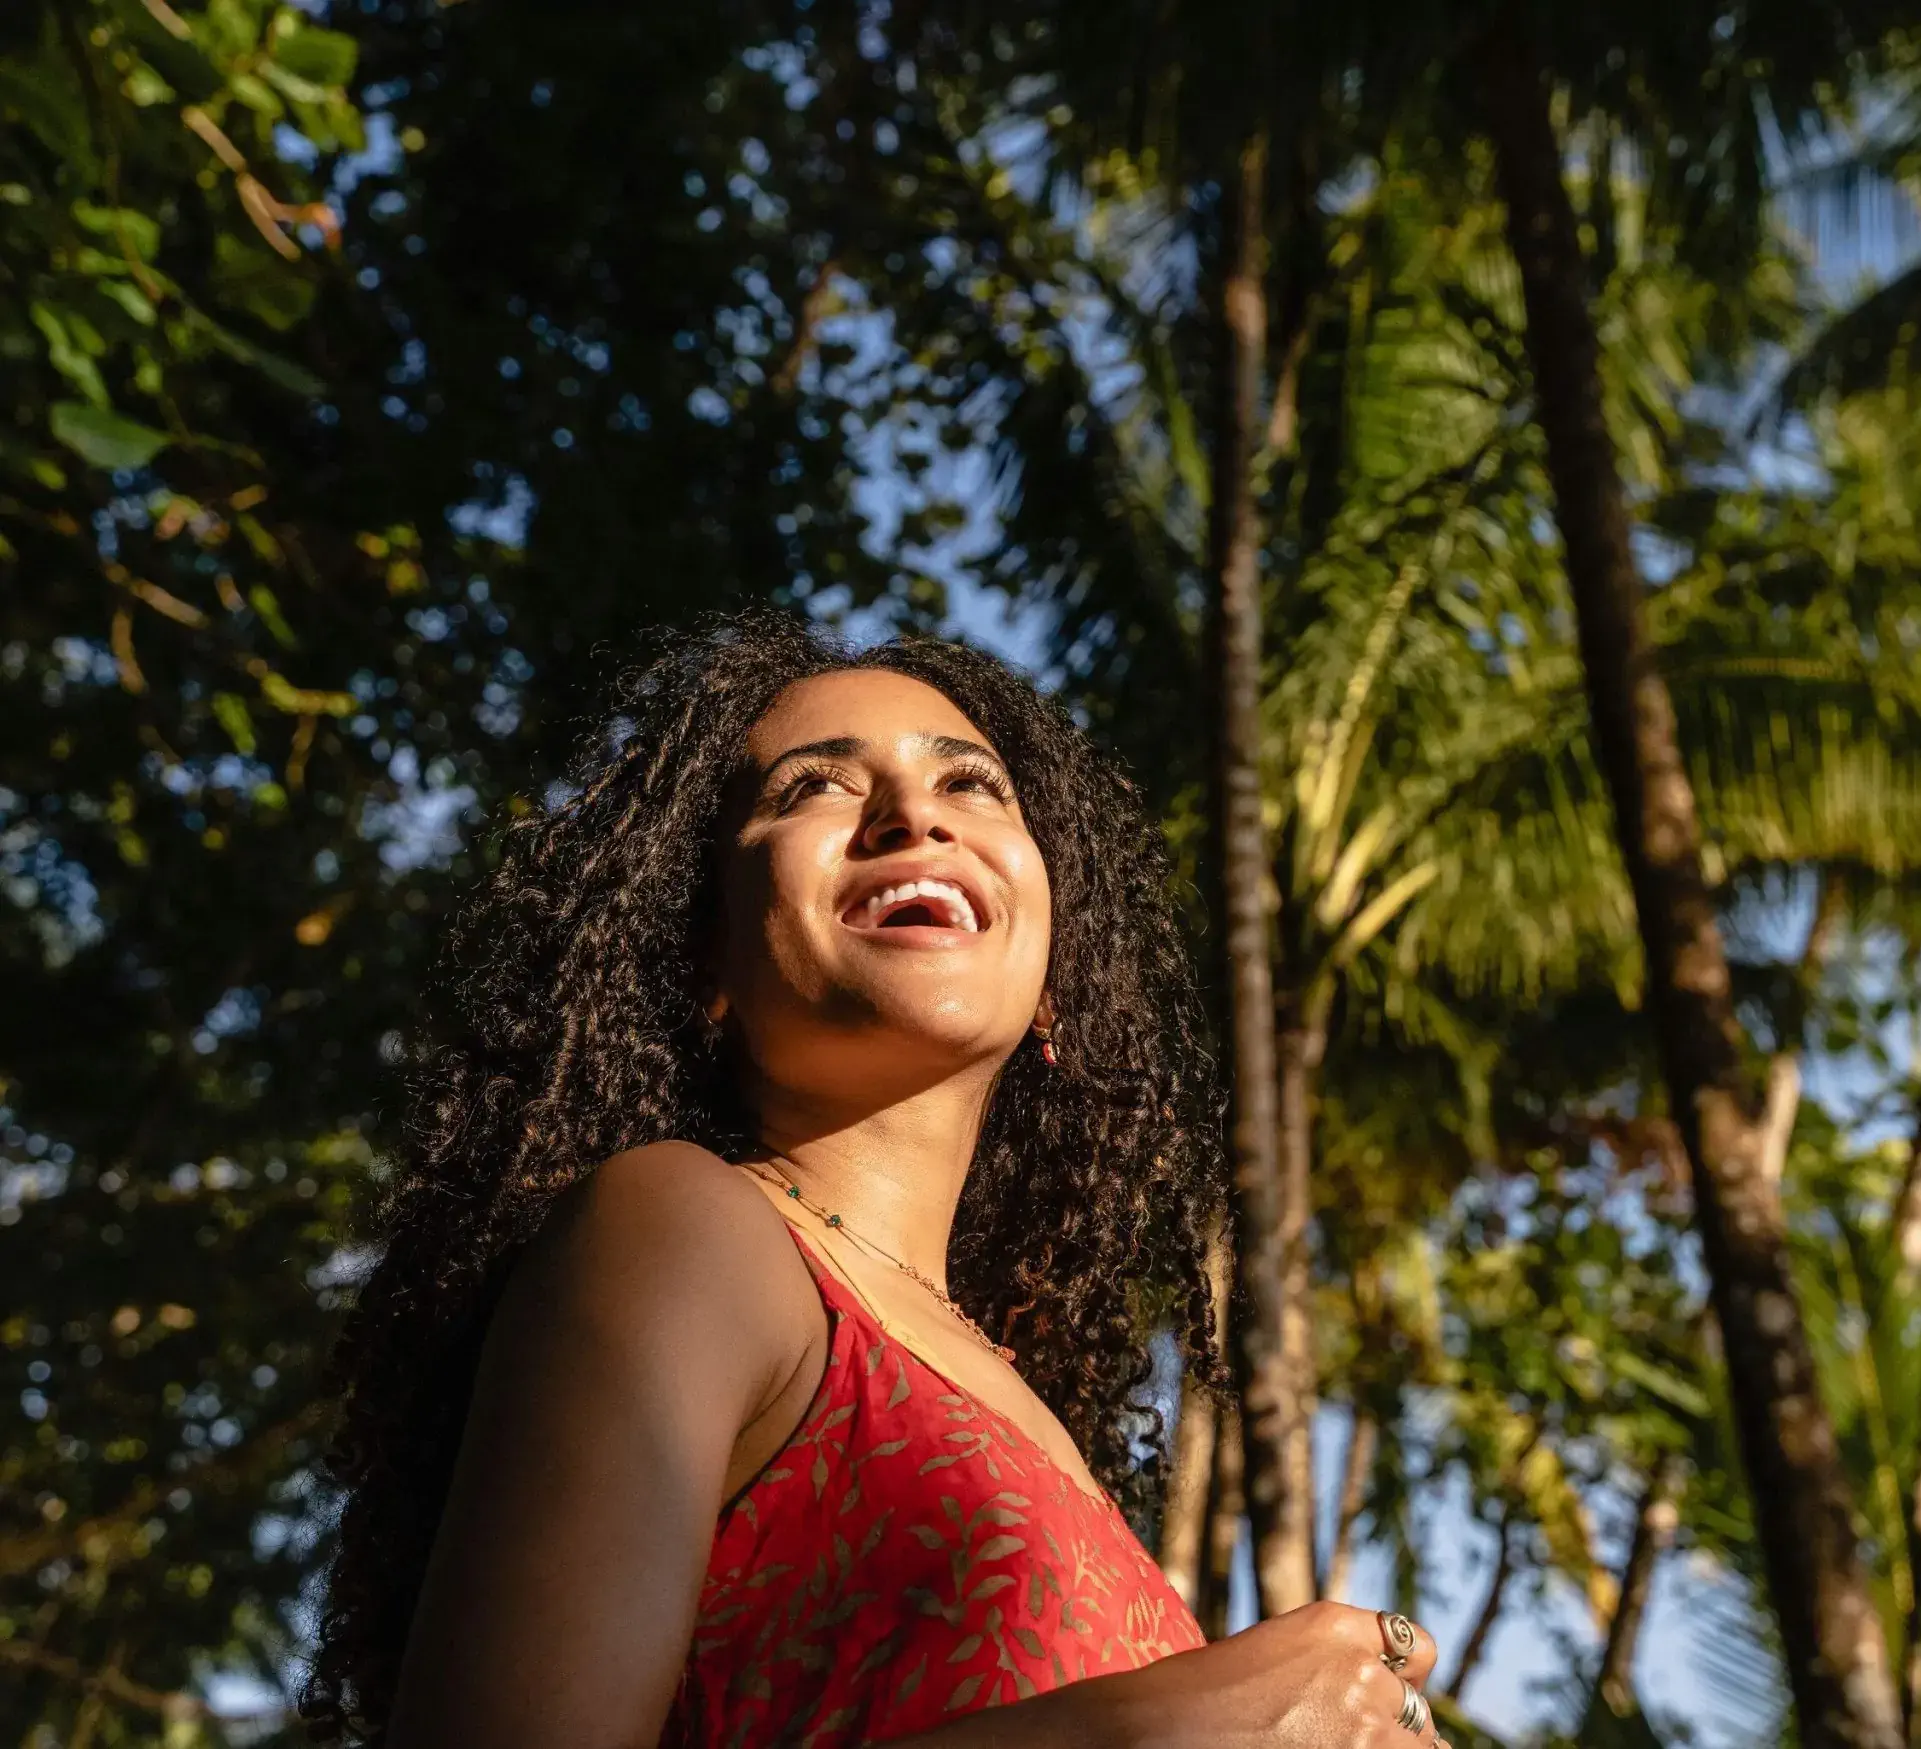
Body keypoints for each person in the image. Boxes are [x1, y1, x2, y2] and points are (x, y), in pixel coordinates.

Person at [301, 614, 1440, 1746]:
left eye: (973, 786)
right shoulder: (686, 1227)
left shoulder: (1013, 1397)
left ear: (1052, 984)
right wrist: (1150, 1729)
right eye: (812, 789)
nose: (914, 814)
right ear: (700, 960)